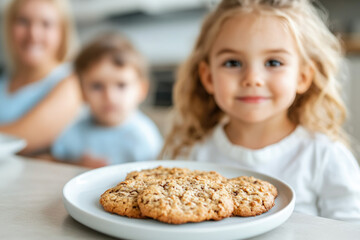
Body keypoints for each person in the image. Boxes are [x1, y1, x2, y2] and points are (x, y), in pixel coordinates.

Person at [160, 0, 360, 222]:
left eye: (273, 62)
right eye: (233, 63)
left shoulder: (324, 155)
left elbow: (350, 228)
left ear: (302, 77)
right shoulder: (192, 152)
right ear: (208, 77)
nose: (252, 79)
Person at [51, 33, 163, 168]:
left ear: (142, 90)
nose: (109, 96)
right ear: (82, 92)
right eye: (97, 86)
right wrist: (76, 165)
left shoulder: (143, 138)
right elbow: (52, 163)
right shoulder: (73, 130)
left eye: (121, 85)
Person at [0, 0, 82, 154]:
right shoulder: (5, 79)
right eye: (23, 21)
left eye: (46, 24)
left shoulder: (71, 82)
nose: (33, 34)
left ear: (62, 32)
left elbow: (23, 138)